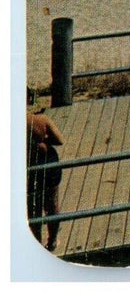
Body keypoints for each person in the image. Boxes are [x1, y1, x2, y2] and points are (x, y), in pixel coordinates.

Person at [27, 91, 65, 251]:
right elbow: (60, 140)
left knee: (33, 208)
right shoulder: (41, 120)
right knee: (52, 204)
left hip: (29, 168)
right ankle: (53, 240)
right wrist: (42, 141)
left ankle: (37, 243)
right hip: (48, 164)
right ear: (29, 99)